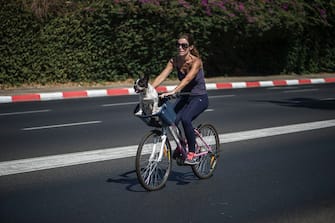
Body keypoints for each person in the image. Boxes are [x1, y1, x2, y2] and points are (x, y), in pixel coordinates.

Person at [151, 33, 209, 165]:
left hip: (199, 97)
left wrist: (174, 91)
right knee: (171, 121)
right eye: (178, 45)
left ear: (190, 47)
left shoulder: (196, 62)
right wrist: (149, 90)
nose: (180, 47)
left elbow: (188, 79)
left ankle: (192, 153)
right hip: (185, 97)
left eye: (184, 45)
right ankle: (182, 143)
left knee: (185, 119)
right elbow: (162, 76)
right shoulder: (174, 60)